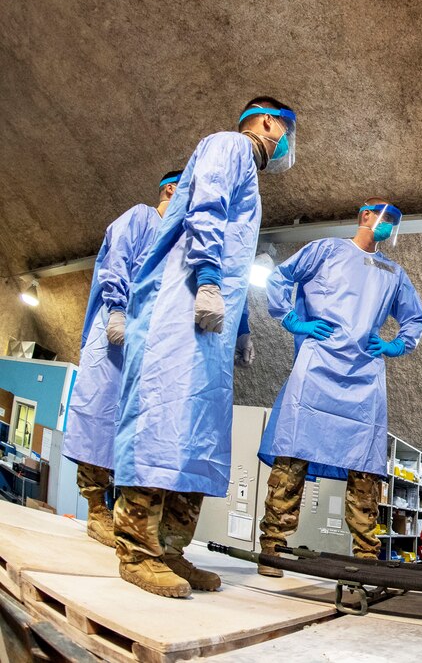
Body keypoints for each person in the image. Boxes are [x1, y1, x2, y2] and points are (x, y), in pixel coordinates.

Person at [112, 97, 297, 597]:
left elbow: (238, 255)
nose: (286, 146)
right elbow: (207, 210)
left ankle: (171, 549)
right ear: (267, 122)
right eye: (287, 132)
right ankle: (136, 549)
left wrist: (240, 329)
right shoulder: (230, 144)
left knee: (198, 435)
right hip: (183, 305)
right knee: (162, 421)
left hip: (210, 323)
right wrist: (210, 281)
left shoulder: (250, 177)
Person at [256, 199, 422, 576]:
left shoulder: (392, 272)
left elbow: (416, 318)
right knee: (293, 455)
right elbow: (280, 277)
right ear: (364, 215)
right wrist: (290, 319)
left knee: (365, 468)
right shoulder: (327, 250)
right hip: (317, 365)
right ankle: (273, 547)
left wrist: (396, 344)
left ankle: (366, 557)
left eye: (395, 222)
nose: (389, 225)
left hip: (364, 376)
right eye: (385, 217)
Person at [61, 170, 180, 547]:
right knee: (101, 416)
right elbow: (119, 260)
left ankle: (124, 513)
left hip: (150, 343)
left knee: (135, 427)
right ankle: (97, 508)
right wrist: (116, 309)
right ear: (172, 189)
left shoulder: (180, 239)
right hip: (117, 331)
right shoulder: (140, 217)